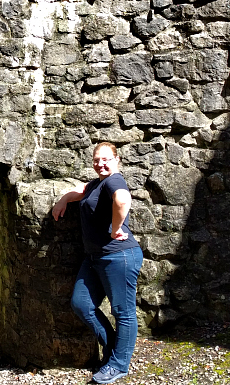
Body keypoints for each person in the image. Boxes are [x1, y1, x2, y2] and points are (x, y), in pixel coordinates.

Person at [52, 142, 143, 384]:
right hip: (95, 257)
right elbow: (80, 192)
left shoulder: (114, 180)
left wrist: (115, 228)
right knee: (81, 304)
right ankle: (114, 347)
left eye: (105, 159)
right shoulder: (96, 184)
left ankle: (118, 365)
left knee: (123, 312)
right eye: (96, 160)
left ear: (117, 160)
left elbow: (122, 199)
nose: (100, 164)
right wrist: (63, 199)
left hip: (118, 255)